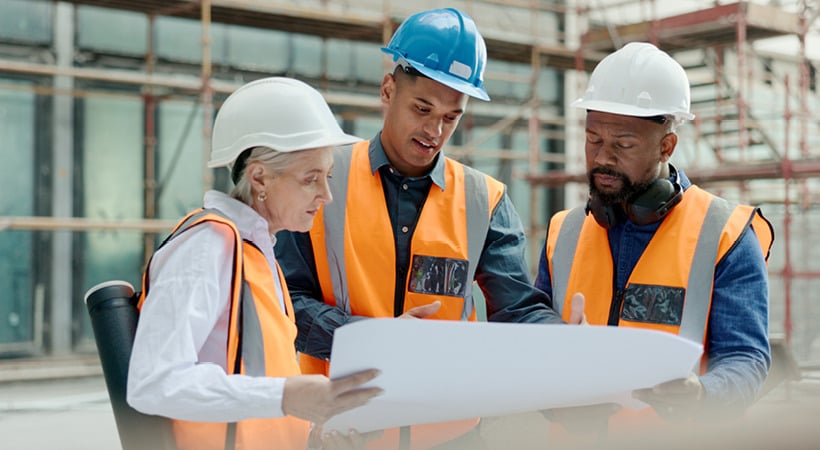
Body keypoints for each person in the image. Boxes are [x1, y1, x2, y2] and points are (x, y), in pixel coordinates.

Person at [274, 7, 569, 449]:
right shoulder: (321, 178)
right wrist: (374, 342)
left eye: (452, 117)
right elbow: (283, 300)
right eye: (422, 108)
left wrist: (570, 345)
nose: (434, 130)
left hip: (451, 434)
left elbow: (517, 309)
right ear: (388, 90)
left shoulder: (484, 201)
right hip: (341, 430)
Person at [535, 42, 774, 443]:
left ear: (666, 146)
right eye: (593, 139)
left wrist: (702, 396)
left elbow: (746, 360)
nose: (603, 158)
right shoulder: (565, 232)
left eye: (623, 144)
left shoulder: (725, 233)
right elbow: (531, 348)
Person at [127, 77, 383, 450]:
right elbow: (153, 383)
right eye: (311, 179)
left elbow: (260, 379)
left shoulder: (257, 254)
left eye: (327, 177)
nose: (325, 195)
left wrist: (309, 434)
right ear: (260, 177)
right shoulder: (206, 247)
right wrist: (285, 397)